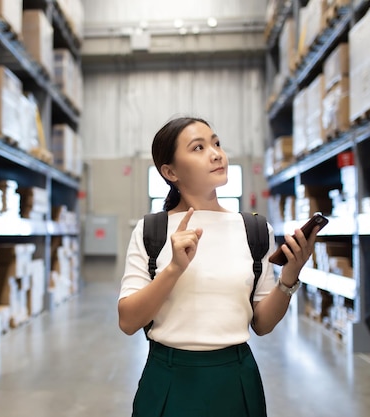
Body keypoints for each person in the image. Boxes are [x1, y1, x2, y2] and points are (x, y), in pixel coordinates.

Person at [118, 117, 320, 417]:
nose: (216, 153)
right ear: (170, 171)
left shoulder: (254, 229)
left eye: (216, 143)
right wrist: (174, 268)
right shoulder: (153, 230)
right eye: (198, 148)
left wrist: (288, 278)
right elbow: (128, 321)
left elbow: (262, 324)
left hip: (236, 379)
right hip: (168, 379)